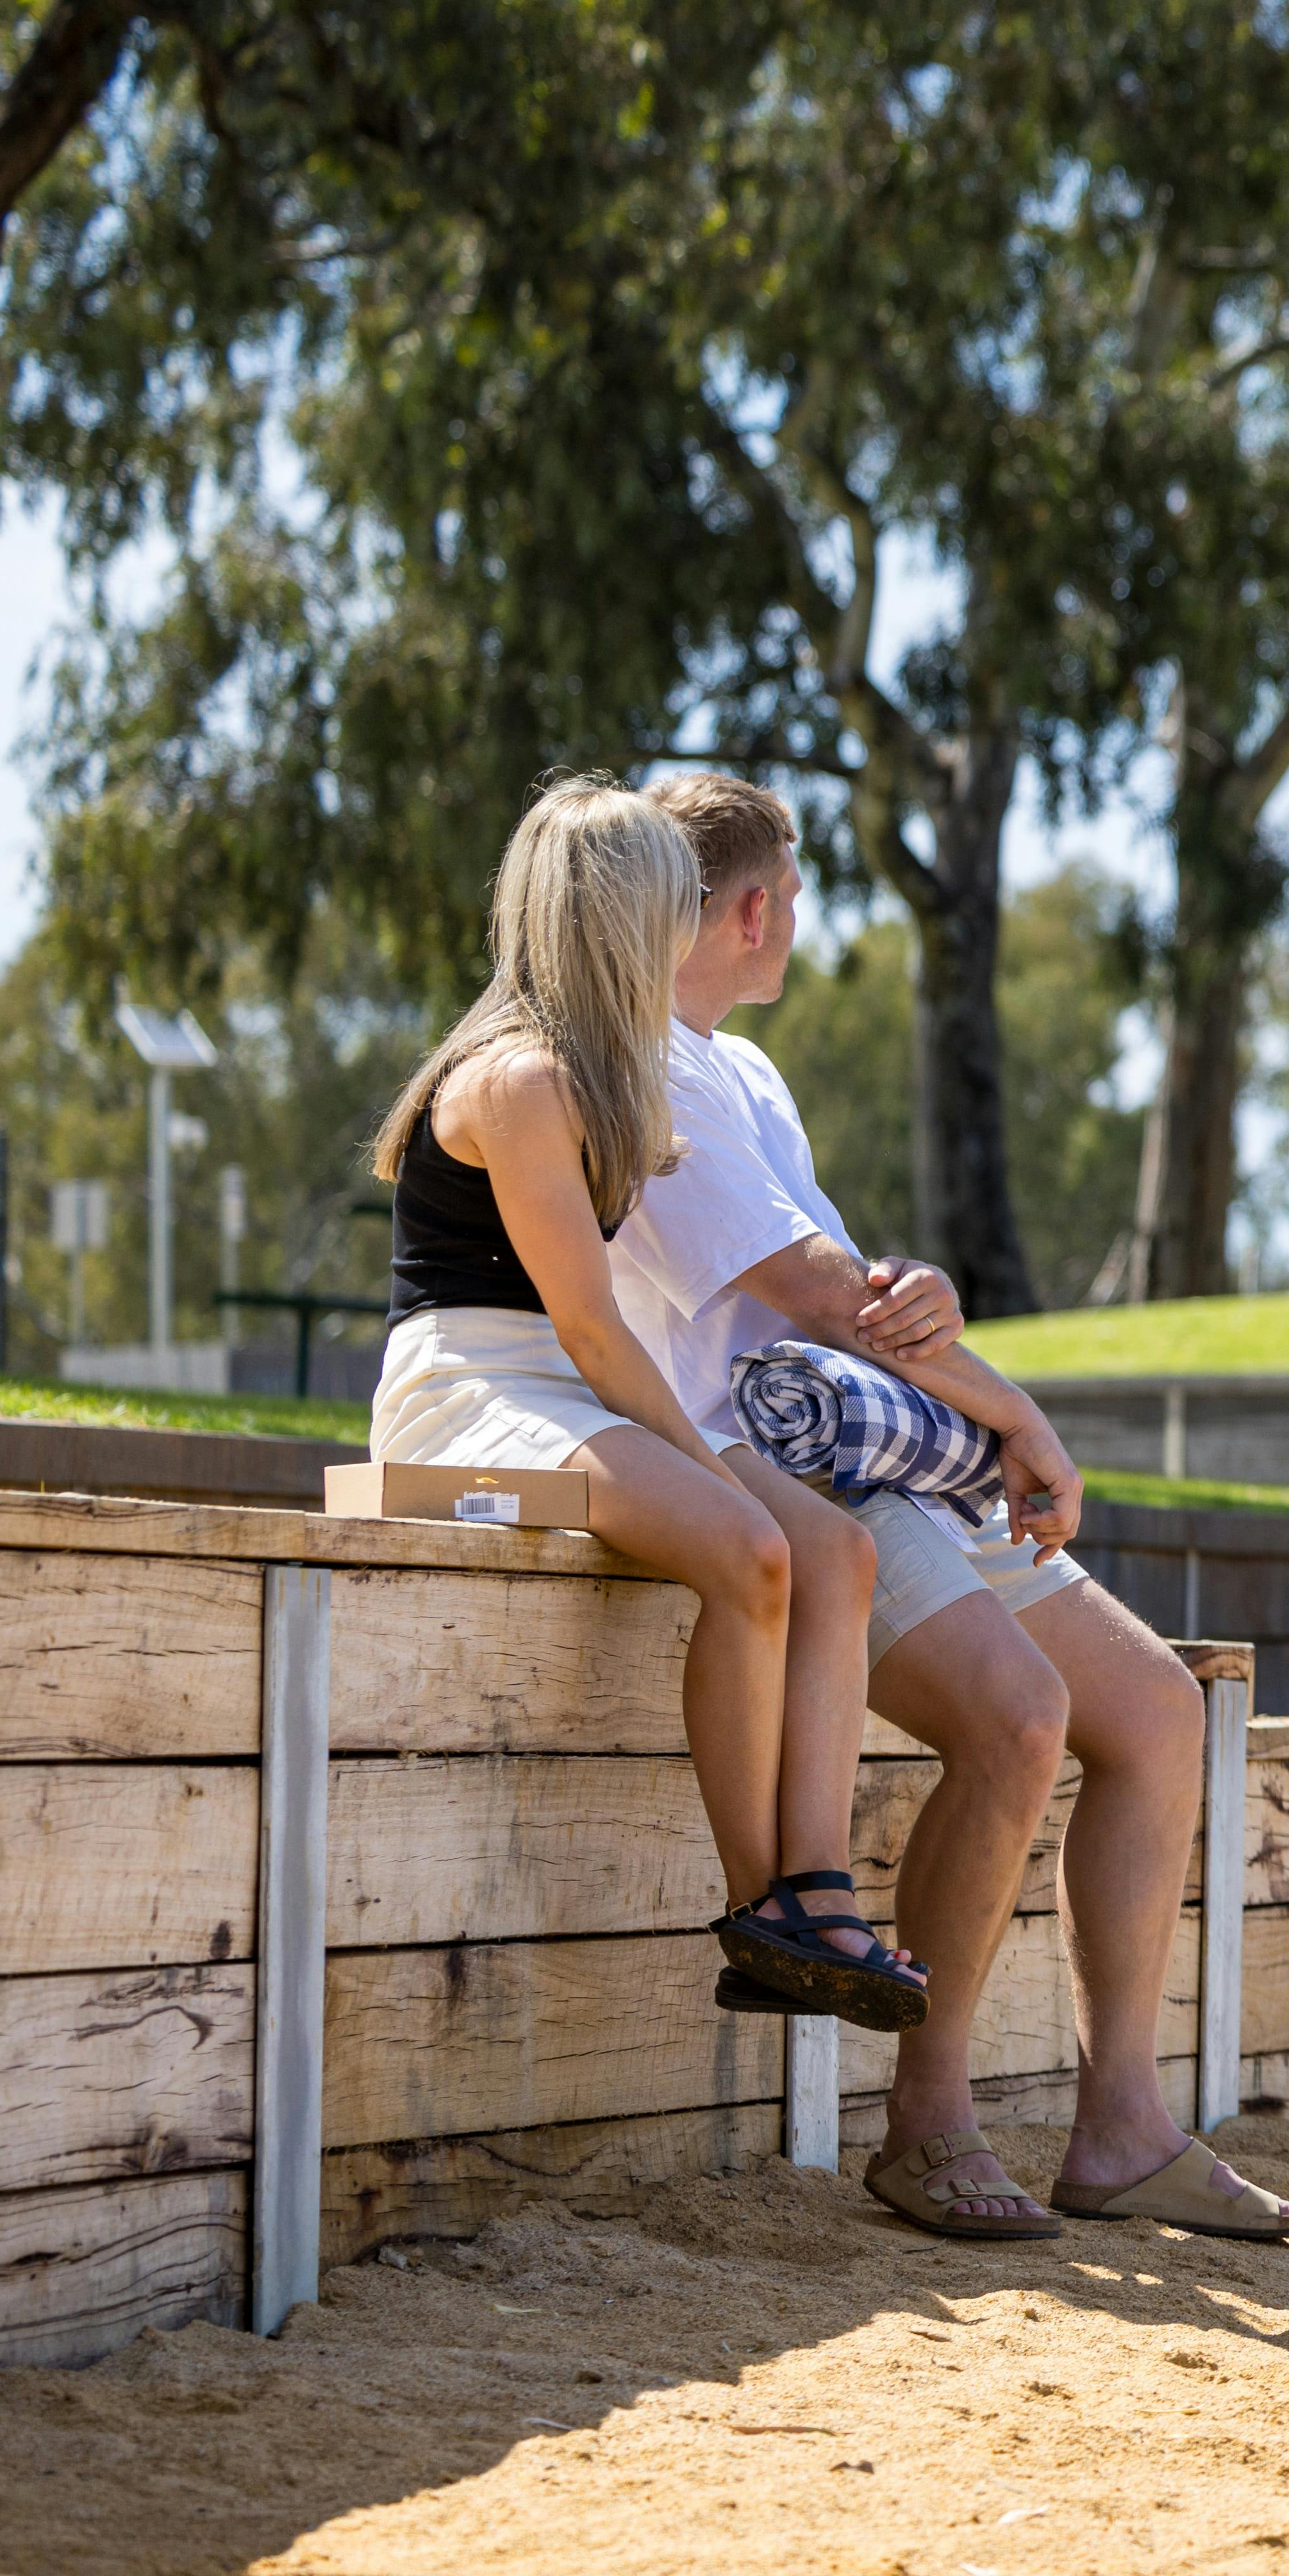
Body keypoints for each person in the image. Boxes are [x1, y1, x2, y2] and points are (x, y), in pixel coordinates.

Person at [614, 772, 1289, 2249]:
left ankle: (1121, 2126)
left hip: (872, 1441)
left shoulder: (745, 1077)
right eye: (792, 898)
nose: (794, 922)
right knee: (1018, 1719)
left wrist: (944, 1362)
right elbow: (810, 1297)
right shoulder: (648, 1072)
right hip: (783, 1457)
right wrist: (1015, 1414)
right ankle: (929, 2125)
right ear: (751, 908)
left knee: (1156, 1714)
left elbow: (860, 1298)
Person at [368, 777, 919, 2027]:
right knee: (747, 1545)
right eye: (680, 907)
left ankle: (816, 1885)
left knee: (824, 1545)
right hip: (470, 1383)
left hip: (568, 1383)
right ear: (621, 918)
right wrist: (710, 1464)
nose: (700, 928)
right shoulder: (521, 1079)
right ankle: (761, 1909)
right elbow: (586, 1325)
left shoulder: (605, 1073)